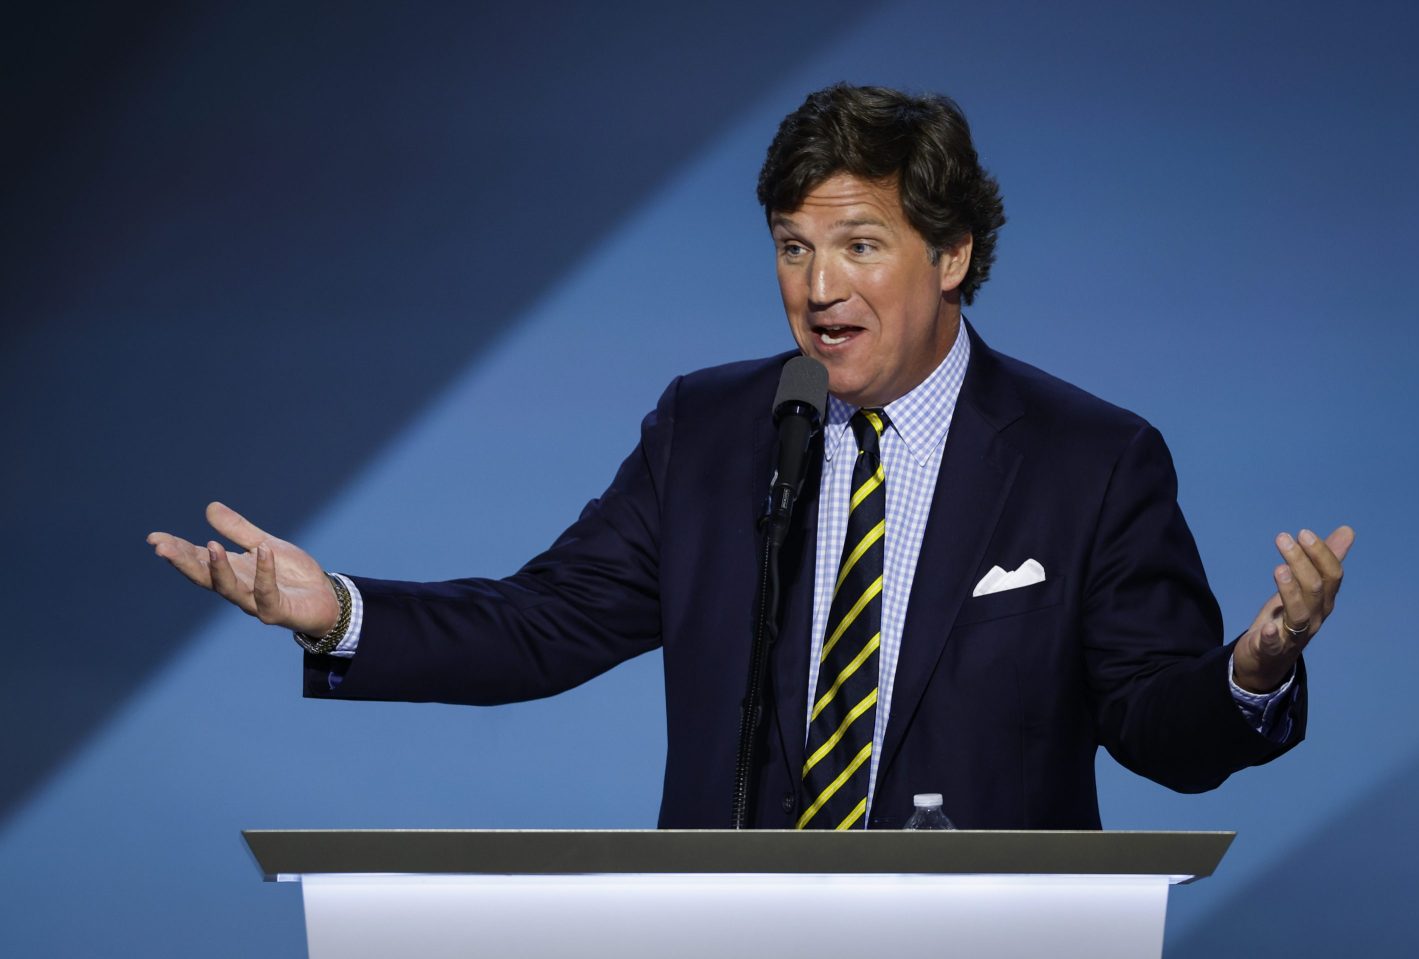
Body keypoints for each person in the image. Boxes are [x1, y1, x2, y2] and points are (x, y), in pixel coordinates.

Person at [148, 84, 1352, 830]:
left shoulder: (1092, 458)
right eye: (790, 247)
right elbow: (542, 624)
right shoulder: (712, 427)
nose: (816, 287)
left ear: (952, 256)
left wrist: (1251, 666)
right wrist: (338, 611)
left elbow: (1161, 732)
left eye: (858, 244)